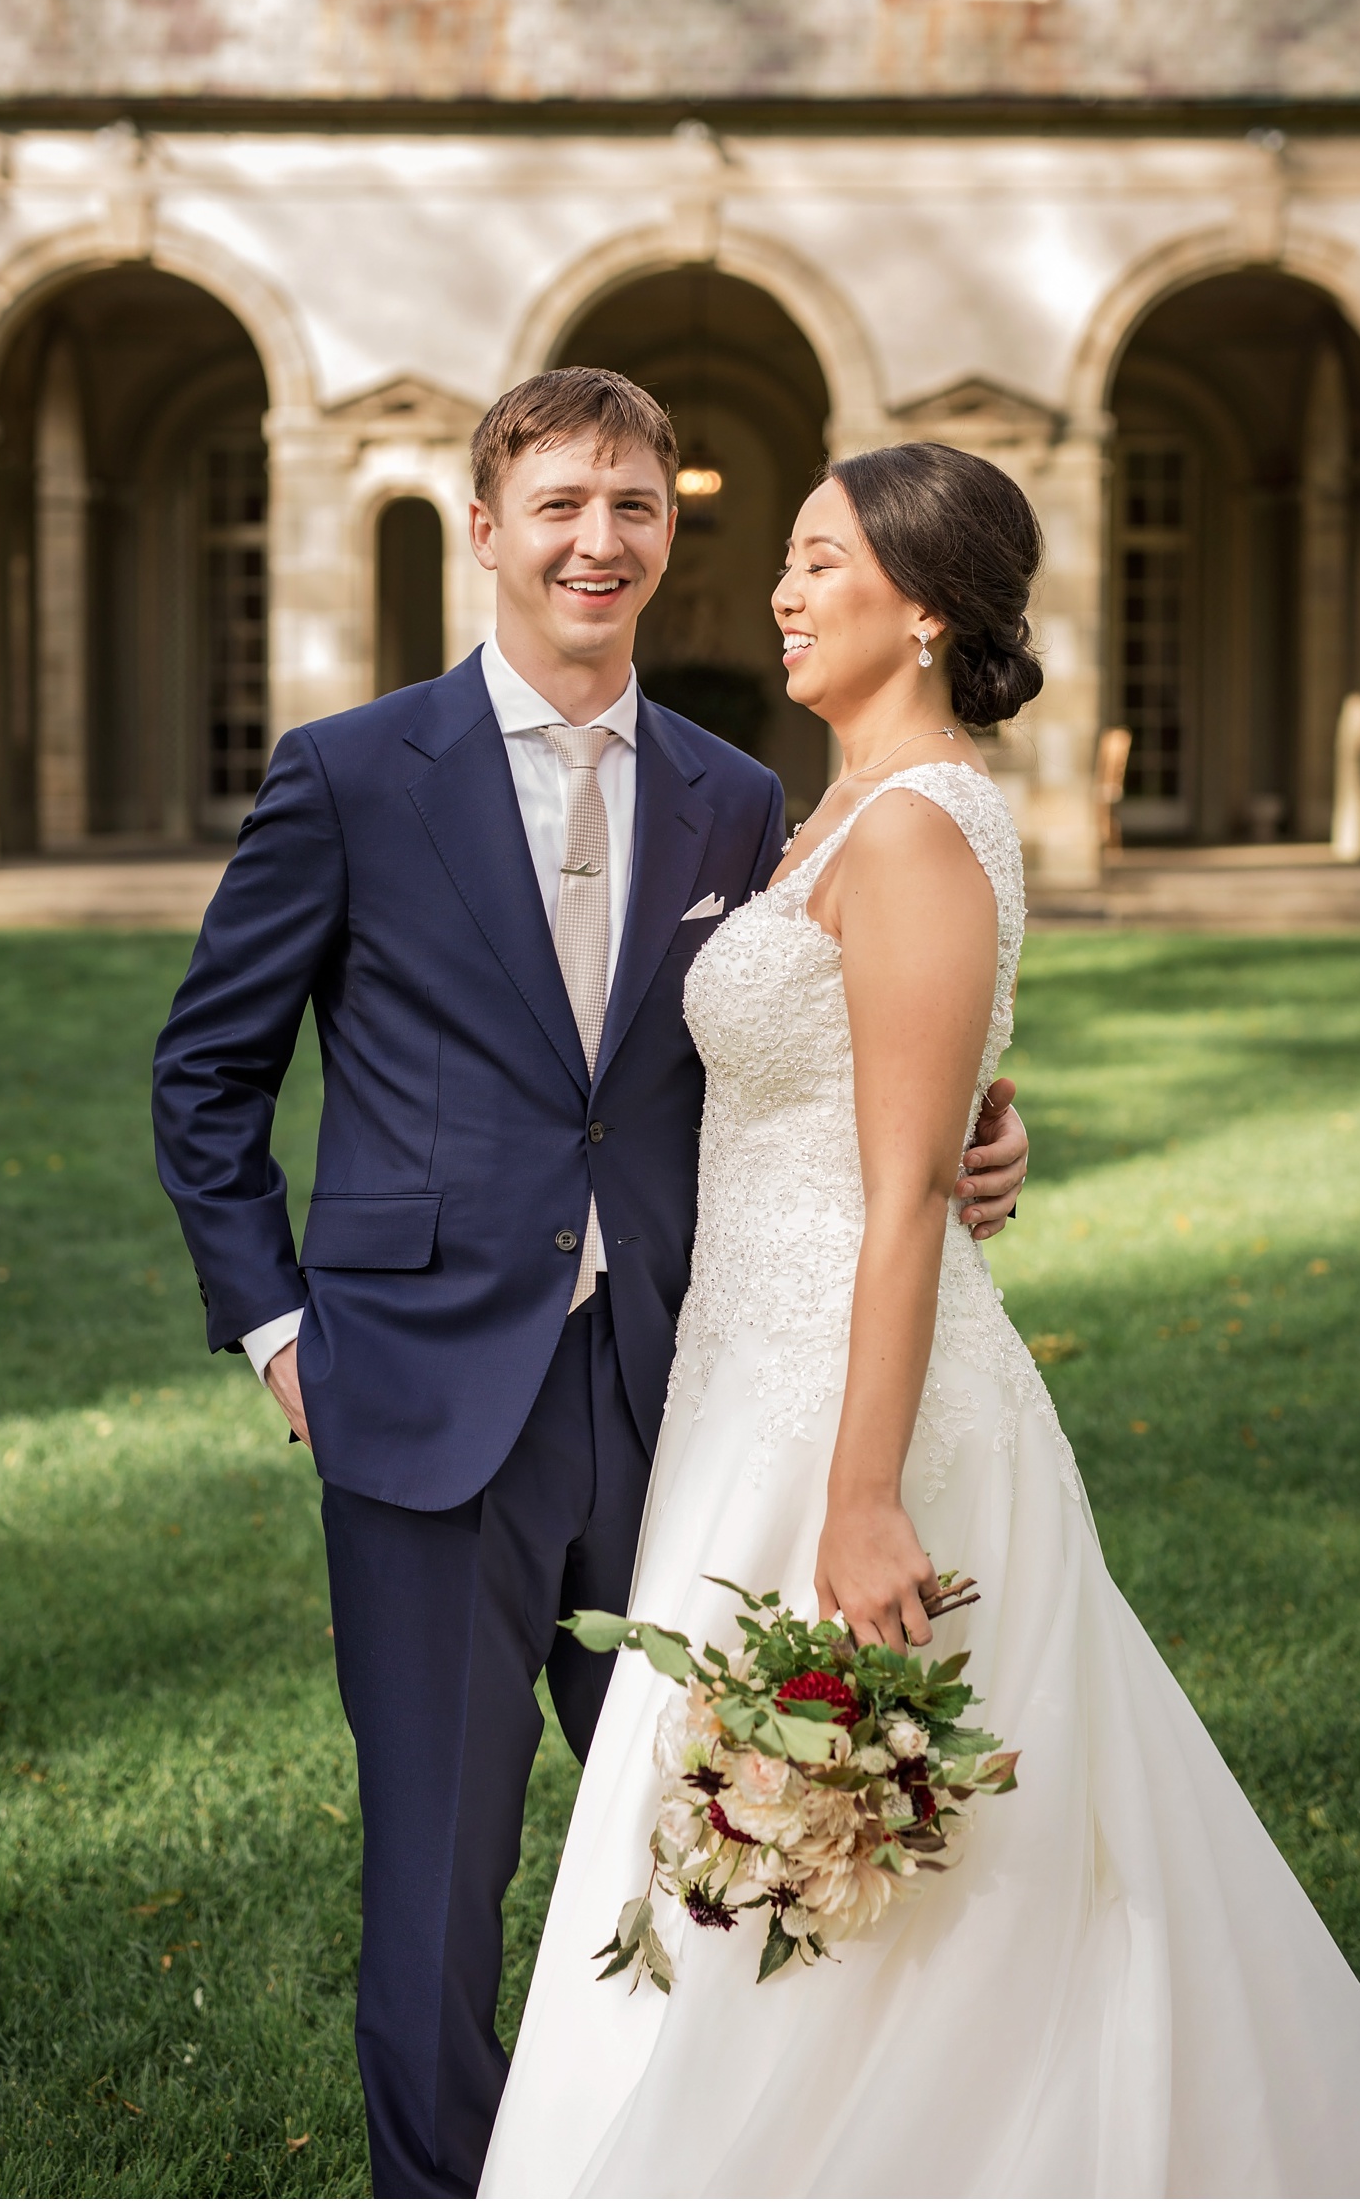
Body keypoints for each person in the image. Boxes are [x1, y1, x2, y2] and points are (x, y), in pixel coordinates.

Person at [480, 442, 1360, 2200]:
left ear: (922, 611)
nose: (784, 586)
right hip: (748, 1373)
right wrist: (991, 1096)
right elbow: (895, 1075)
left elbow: (900, 1191)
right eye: (794, 559)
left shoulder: (913, 826)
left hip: (854, 1396)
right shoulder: (835, 814)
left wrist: (865, 1490)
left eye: (825, 562)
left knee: (903, 1846)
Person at [150, 372, 1029, 2200]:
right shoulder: (347, 774)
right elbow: (206, 1075)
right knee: (440, 1890)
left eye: (633, 505)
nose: (597, 539)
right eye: (558, 504)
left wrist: (982, 1126)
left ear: (666, 532)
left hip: (684, 1398)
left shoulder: (736, 798)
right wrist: (278, 1318)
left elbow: (820, 1043)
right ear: (485, 527)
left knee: (731, 1836)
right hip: (418, 1398)